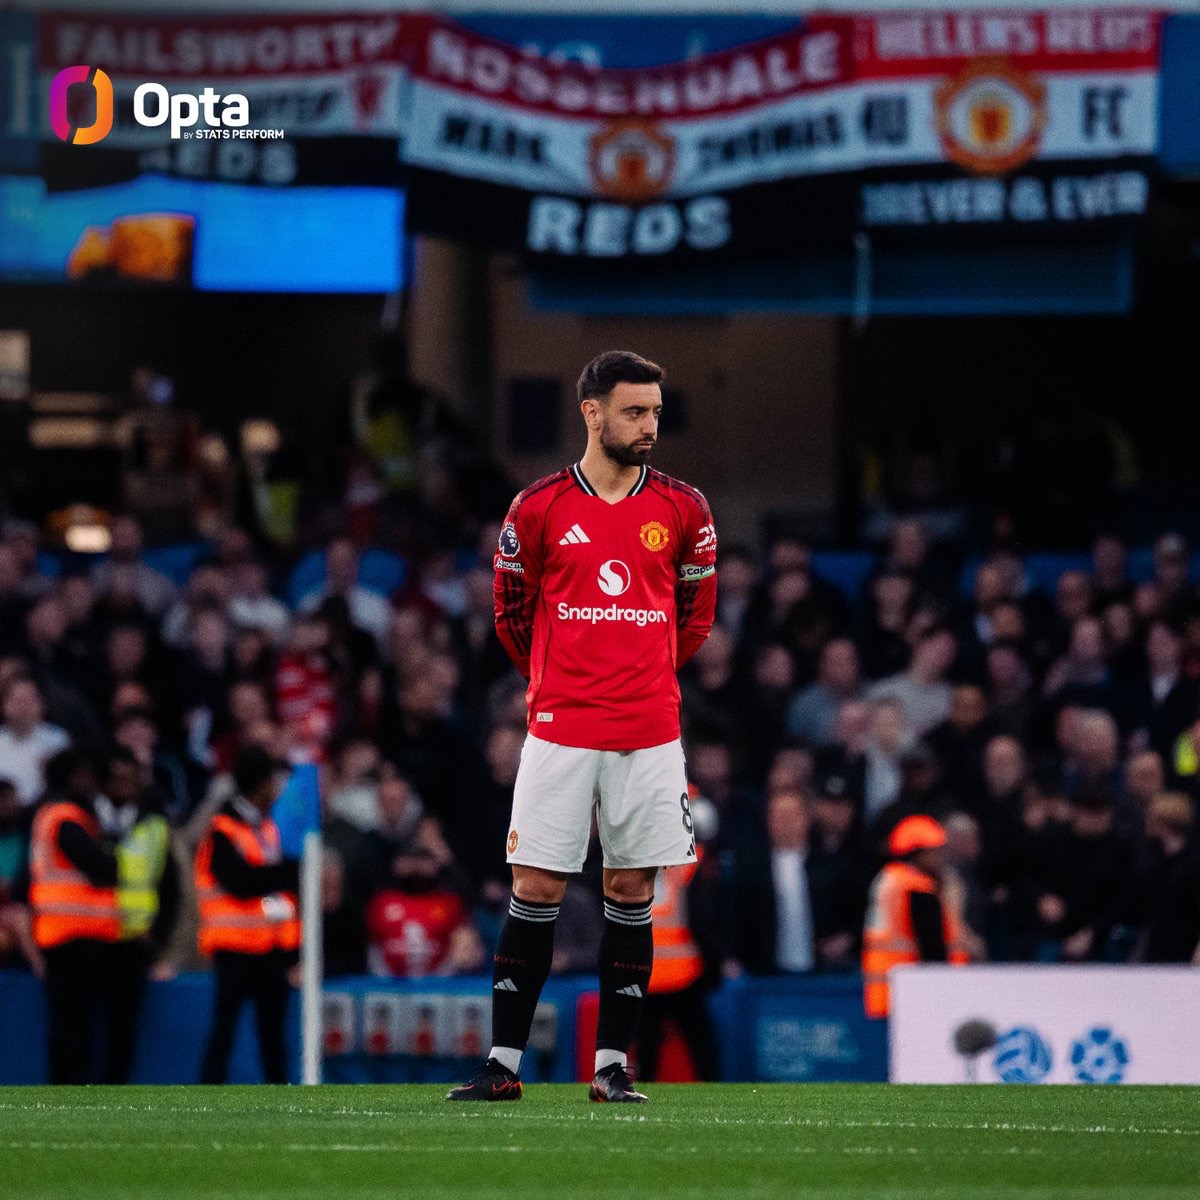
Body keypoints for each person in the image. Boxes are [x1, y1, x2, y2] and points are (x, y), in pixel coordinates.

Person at [447, 350, 716, 1104]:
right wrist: (559, 680)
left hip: (649, 731)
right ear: (592, 413)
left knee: (631, 886)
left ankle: (610, 1069)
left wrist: (642, 676)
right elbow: (510, 613)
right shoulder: (537, 507)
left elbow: (696, 617)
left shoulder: (685, 509)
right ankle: (503, 1065)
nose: (649, 425)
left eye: (655, 411)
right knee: (535, 883)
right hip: (560, 728)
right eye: (634, 411)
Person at [195, 746, 300, 1084]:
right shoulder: (222, 829)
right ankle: (207, 1098)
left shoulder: (268, 827)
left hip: (270, 948)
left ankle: (280, 1099)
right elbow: (240, 883)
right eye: (272, 781)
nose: (277, 788)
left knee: (273, 1036)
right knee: (223, 1031)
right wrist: (289, 872)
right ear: (261, 783)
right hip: (234, 947)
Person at [28, 749, 120, 1083]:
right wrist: (112, 854)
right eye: (83, 774)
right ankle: (70, 1088)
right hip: (72, 935)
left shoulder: (48, 814)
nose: (90, 780)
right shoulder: (66, 817)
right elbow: (103, 866)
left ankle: (65, 1088)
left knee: (70, 1022)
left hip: (61, 933)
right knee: (75, 1024)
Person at [862, 815, 969, 1019]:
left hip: (889, 992)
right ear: (919, 854)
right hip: (913, 995)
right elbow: (932, 949)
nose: (940, 858)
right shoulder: (916, 888)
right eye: (935, 851)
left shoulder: (890, 879)